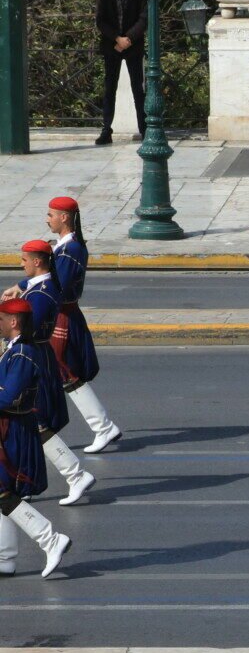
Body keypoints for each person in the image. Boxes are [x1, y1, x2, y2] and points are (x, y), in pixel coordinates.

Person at [10, 242, 94, 506]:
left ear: (37, 262)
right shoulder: (42, 287)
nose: (21, 265)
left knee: (32, 424)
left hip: (32, 359)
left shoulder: (40, 296)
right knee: (27, 425)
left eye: (24, 260)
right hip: (36, 357)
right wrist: (21, 289)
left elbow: (25, 330)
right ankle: (23, 483)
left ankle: (74, 473)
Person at [0, 298, 72, 579]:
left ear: (14, 322)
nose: (0, 323)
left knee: (4, 491)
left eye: (2, 318)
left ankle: (50, 538)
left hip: (14, 429)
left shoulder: (22, 355)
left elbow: (8, 397)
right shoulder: (15, 350)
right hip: (11, 426)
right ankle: (5, 557)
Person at [41, 197, 118, 454]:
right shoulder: (65, 247)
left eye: (51, 214)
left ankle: (102, 426)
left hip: (61, 316)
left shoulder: (69, 249)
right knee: (59, 374)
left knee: (65, 374)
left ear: (64, 217)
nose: (47, 219)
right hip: (63, 314)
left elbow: (57, 288)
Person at [94, 0, 146, 146]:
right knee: (109, 89)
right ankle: (106, 129)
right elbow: (100, 20)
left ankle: (145, 129)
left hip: (133, 45)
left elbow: (144, 18)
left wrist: (128, 39)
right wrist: (117, 38)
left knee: (138, 89)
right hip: (112, 46)